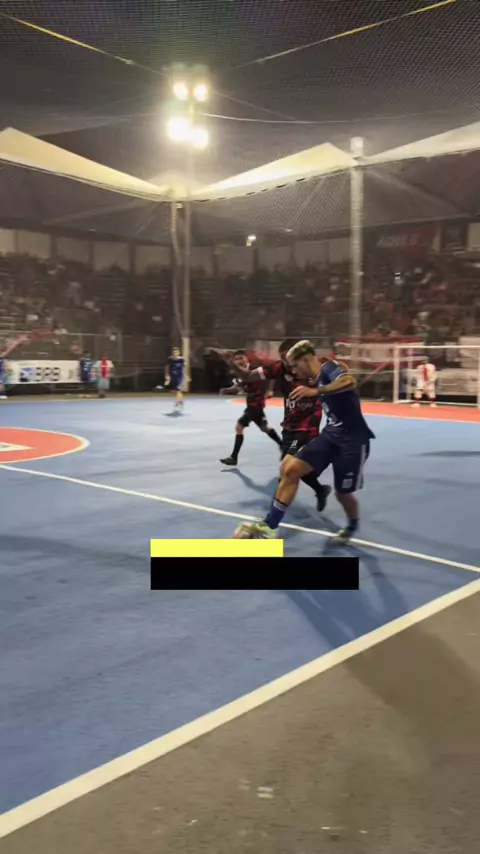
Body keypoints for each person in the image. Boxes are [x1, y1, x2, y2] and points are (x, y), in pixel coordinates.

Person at [234, 340, 375, 543]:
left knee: (343, 494)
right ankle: (270, 526)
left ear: (305, 360)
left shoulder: (329, 369)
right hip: (330, 435)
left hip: (352, 442)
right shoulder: (315, 376)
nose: (293, 371)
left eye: (294, 366)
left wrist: (316, 391)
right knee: (290, 470)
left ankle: (352, 525)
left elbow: (349, 382)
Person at [227, 339, 331, 511]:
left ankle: (274, 516)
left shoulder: (317, 369)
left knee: (286, 469)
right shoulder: (279, 368)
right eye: (283, 359)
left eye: (290, 358)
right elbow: (248, 376)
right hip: (289, 426)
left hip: (307, 427)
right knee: (293, 468)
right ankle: (320, 490)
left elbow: (341, 383)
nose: (287, 363)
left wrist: (317, 391)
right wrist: (232, 363)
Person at [219, 349, 281, 465]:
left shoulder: (254, 370)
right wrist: (227, 390)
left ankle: (234, 457)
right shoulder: (239, 373)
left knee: (239, 427)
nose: (239, 361)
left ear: (246, 359)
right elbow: (238, 386)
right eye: (236, 359)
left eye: (241, 358)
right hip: (252, 404)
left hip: (256, 405)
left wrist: (270, 389)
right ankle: (283, 446)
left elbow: (271, 375)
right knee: (265, 428)